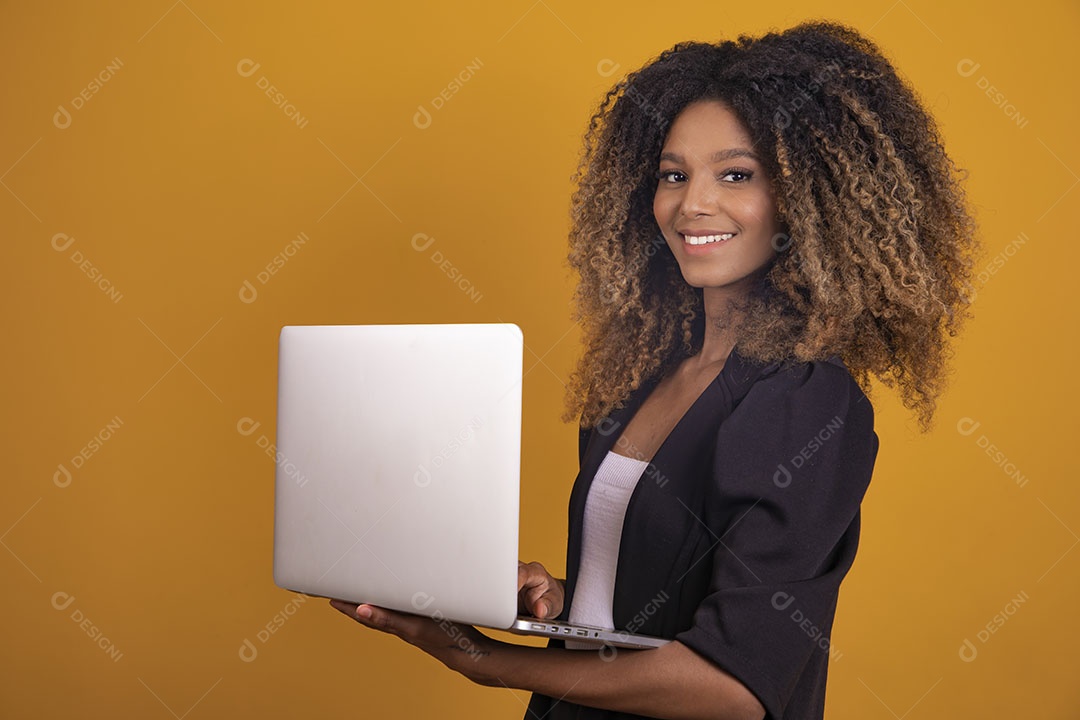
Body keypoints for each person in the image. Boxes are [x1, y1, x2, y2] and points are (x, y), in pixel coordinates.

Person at [329, 19, 979, 720]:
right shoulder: (641, 374)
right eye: (674, 175)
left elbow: (737, 685)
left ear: (809, 198)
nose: (692, 204)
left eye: (737, 174)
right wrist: (559, 601)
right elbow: (663, 592)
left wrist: (485, 662)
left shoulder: (805, 398)